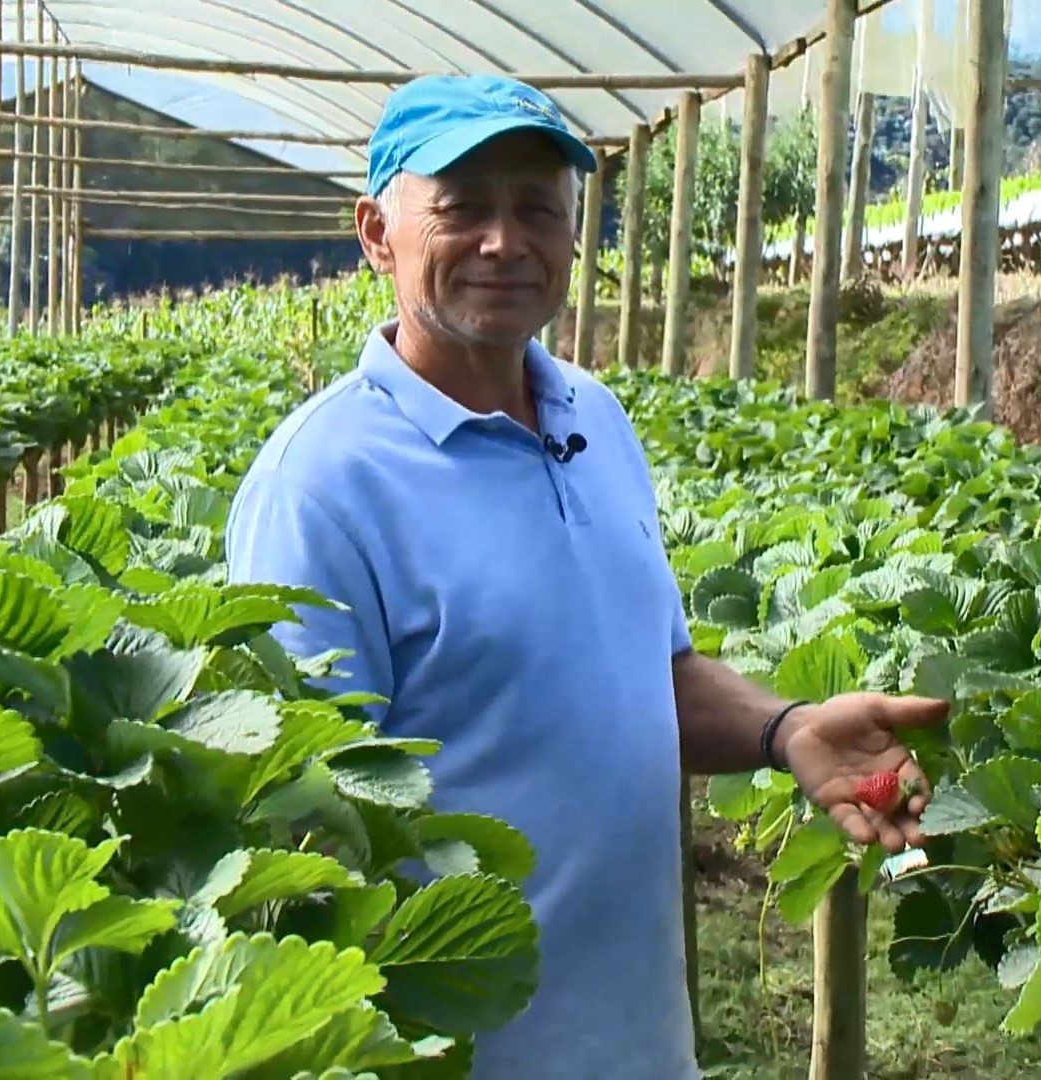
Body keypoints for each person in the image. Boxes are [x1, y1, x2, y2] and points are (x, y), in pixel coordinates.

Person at [224, 72, 947, 1080]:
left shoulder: (592, 420)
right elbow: (303, 826)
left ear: (573, 237)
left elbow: (649, 670)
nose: (503, 241)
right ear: (377, 234)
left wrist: (788, 731)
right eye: (463, 207)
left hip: (638, 1040)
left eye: (537, 209)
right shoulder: (321, 483)